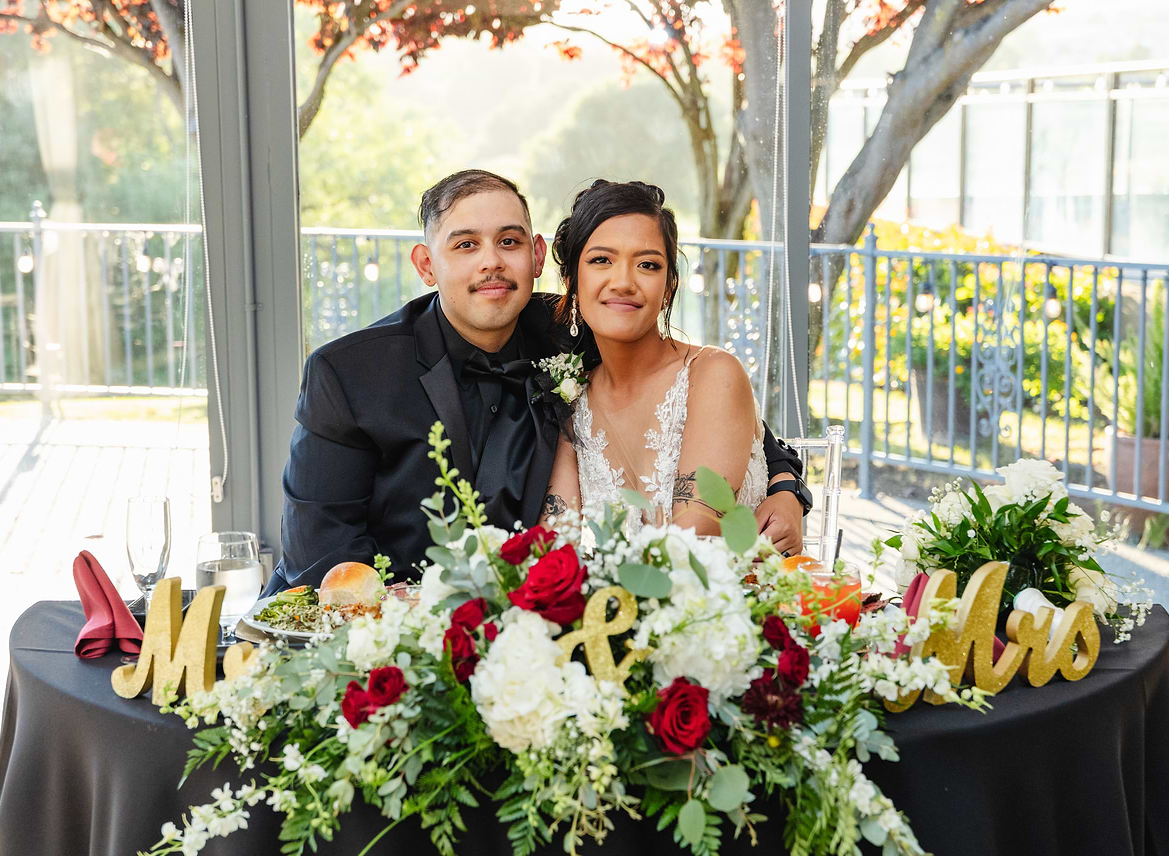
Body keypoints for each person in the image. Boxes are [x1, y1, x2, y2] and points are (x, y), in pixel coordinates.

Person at [267, 170, 808, 593]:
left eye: (508, 241)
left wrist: (786, 488)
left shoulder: (579, 329)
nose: (491, 263)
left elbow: (712, 406)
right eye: (465, 245)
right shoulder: (348, 375)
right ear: (426, 265)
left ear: (537, 255)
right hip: (375, 631)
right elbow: (320, 557)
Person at [540, 180, 803, 538]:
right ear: (571, 277)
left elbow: (690, 546)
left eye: (647, 265)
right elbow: (556, 547)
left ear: (668, 288)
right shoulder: (570, 403)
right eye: (601, 260)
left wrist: (789, 487)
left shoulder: (712, 376)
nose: (623, 281)